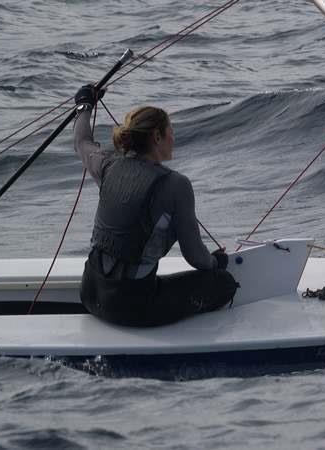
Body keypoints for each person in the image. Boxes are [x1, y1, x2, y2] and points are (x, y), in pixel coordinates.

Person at [73, 84, 238, 327]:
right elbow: (195, 257)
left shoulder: (108, 165)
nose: (174, 136)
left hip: (89, 291)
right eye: (171, 129)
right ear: (157, 136)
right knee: (224, 284)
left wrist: (84, 105)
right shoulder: (176, 185)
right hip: (131, 308)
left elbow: (81, 142)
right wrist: (216, 263)